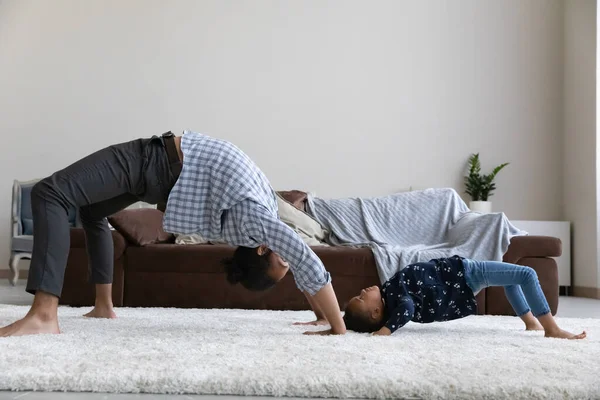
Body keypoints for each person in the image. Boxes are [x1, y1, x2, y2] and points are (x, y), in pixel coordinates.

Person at [0, 131, 345, 337]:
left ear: (261, 250)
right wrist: (321, 317)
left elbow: (305, 259)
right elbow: (303, 271)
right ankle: (103, 306)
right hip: (161, 177)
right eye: (286, 265)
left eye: (280, 262)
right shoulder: (257, 220)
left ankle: (44, 314)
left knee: (50, 193)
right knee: (92, 211)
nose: (287, 258)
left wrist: (339, 330)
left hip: (154, 162)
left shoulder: (257, 221)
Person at [343, 256, 586, 339]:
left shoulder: (391, 292)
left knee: (513, 278)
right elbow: (406, 310)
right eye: (361, 298)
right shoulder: (398, 301)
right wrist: (386, 331)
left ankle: (531, 322)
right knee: (527, 274)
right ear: (376, 312)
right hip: (466, 273)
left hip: (461, 277)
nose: (363, 291)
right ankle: (551, 327)